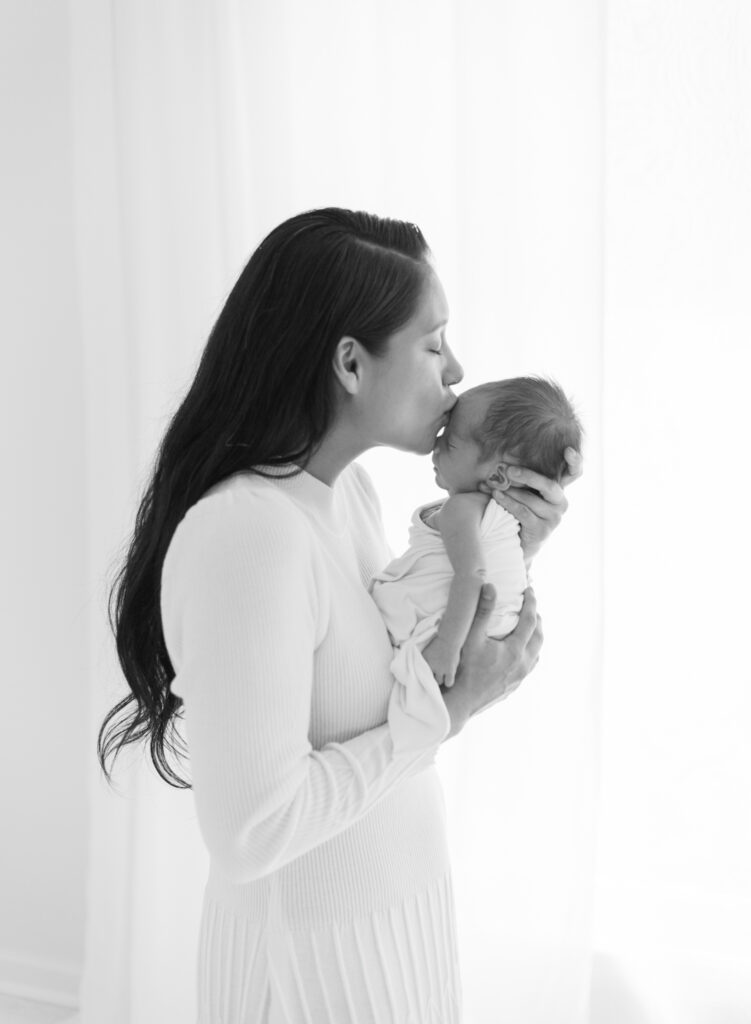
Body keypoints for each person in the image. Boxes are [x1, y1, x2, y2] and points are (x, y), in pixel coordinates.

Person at [98, 208, 582, 1023]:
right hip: (313, 979)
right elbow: (251, 831)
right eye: (433, 345)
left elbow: (388, 686)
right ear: (351, 364)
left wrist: (508, 546)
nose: (456, 371)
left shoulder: (344, 498)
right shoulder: (250, 532)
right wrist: (447, 717)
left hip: (395, 938)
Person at [371, 378, 583, 707]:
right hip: (501, 634)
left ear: (498, 477)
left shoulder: (461, 509)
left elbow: (472, 577)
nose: (436, 445)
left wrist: (447, 644)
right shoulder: (511, 520)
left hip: (459, 633)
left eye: (450, 442)